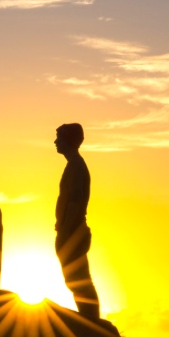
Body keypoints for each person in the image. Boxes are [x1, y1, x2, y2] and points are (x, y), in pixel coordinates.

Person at [53, 122, 101, 321]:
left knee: (79, 280)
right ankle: (90, 319)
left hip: (74, 231)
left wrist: (64, 232)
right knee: (75, 280)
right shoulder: (73, 165)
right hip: (70, 230)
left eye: (59, 138)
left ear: (68, 140)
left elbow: (74, 202)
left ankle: (91, 321)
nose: (55, 141)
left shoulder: (77, 166)